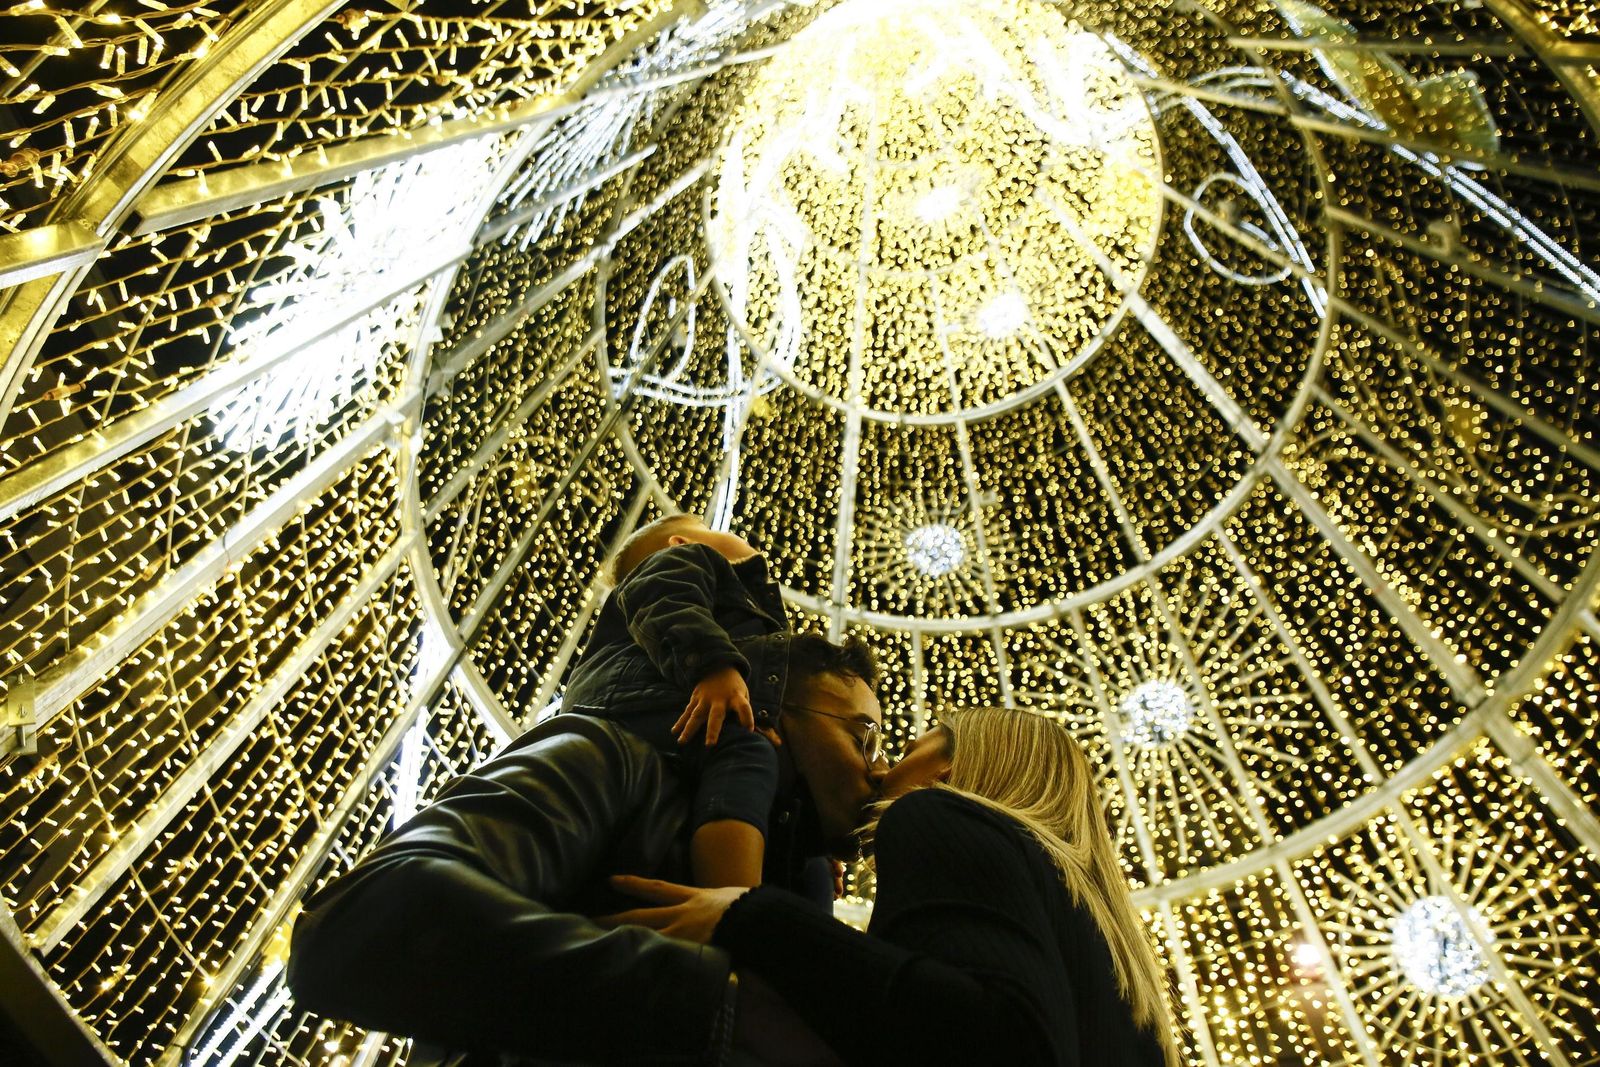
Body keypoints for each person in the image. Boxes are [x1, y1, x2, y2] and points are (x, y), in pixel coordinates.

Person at [607, 707, 1182, 1067]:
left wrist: (754, 915)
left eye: (906, 752)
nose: (881, 773)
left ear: (947, 773)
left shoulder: (936, 813)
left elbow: (996, 1042)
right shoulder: (1105, 939)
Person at [561, 513, 791, 890]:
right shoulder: (682, 563)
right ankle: (732, 904)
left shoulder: (753, 607)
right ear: (681, 543)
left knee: (782, 800)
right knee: (743, 751)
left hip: (666, 703)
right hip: (629, 698)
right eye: (716, 530)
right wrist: (713, 666)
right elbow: (665, 598)